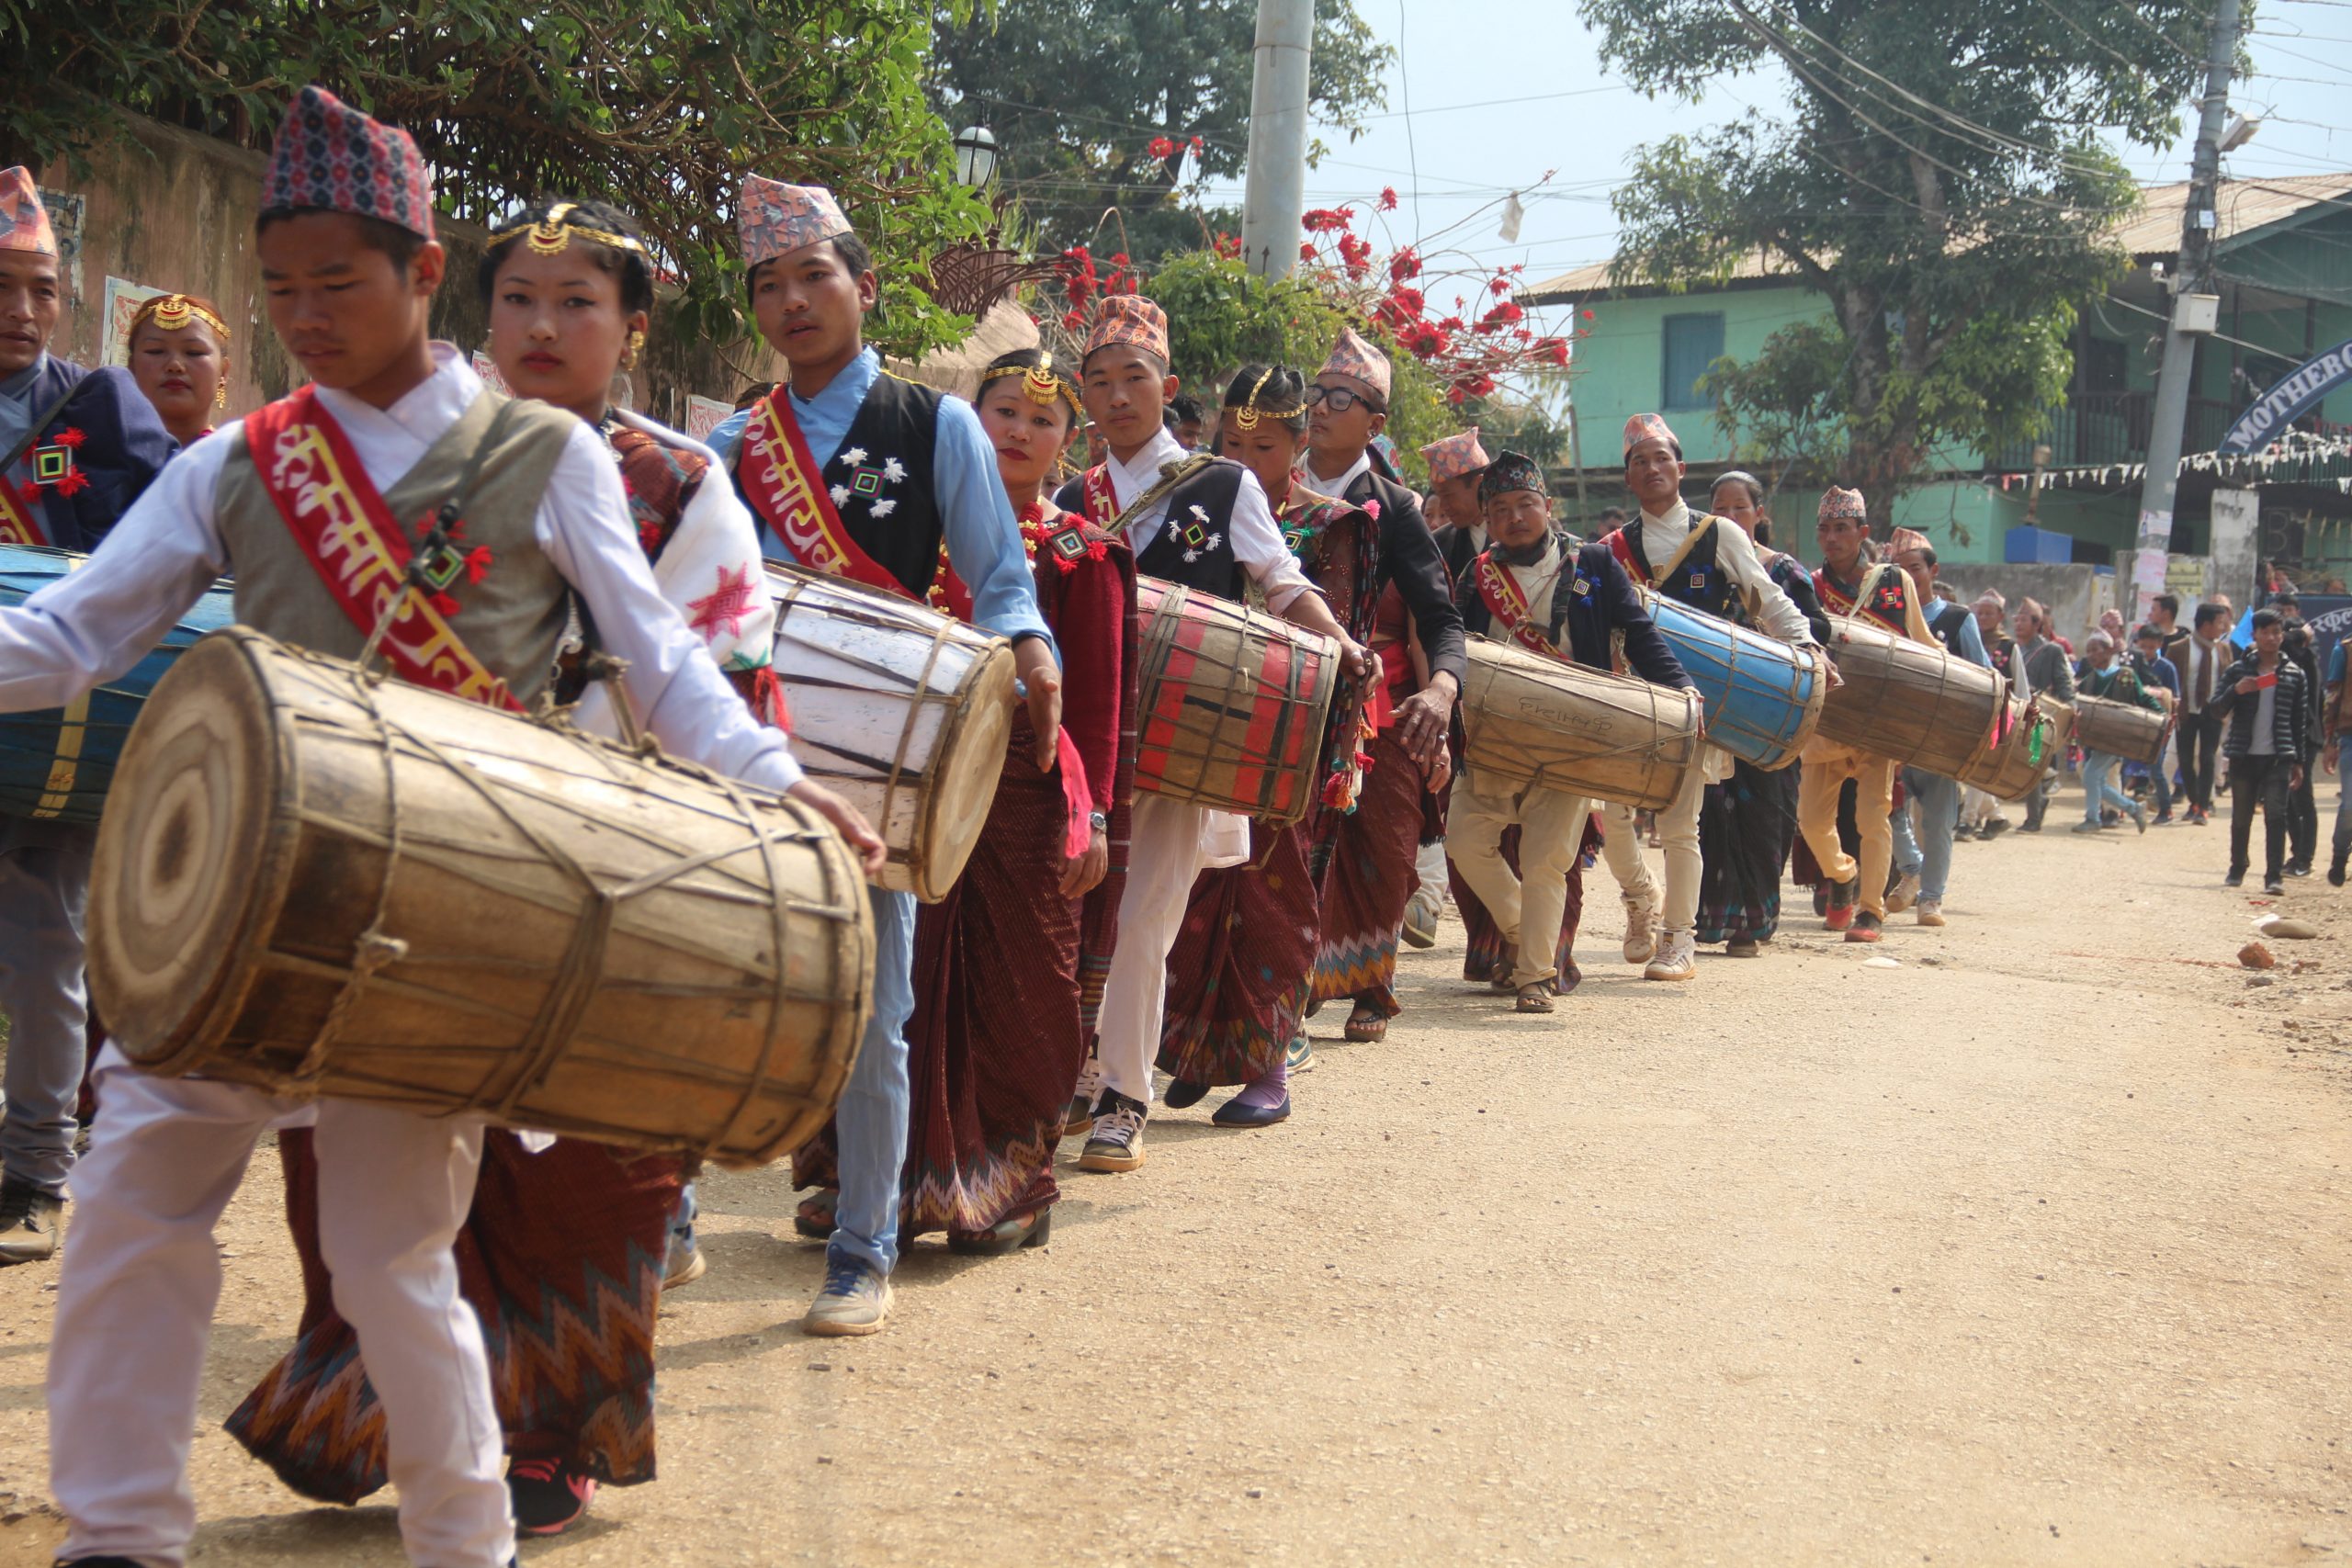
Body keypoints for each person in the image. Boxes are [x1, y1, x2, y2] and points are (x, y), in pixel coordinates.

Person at [18, 86, 881, 1568]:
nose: (304, 316)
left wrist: (768, 771)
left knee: (390, 1258)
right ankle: (118, 1532)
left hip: (438, 917)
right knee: (128, 1199)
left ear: (421, 274)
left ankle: (464, 1539)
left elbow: (662, 658)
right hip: (242, 898)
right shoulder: (237, 459)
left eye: (336, 283)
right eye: (280, 288)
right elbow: (72, 634)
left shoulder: (548, 460)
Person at [222, 196, 786, 1536]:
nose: (542, 325)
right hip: (405, 837)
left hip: (605, 861)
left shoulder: (678, 483)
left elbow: (715, 666)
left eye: (578, 302)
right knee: (360, 1142)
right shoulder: (409, 449)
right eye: (519, 299)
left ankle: (547, 1427)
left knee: (586, 1159)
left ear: (632, 327)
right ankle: (374, 1404)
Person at [704, 175, 1058, 1337]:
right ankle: (667, 1226)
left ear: (862, 288)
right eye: (769, 284)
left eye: (815, 276)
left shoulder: (934, 425)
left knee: (874, 1010)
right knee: (718, 989)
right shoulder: (730, 445)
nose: (793, 301)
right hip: (752, 748)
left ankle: (863, 1249)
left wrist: (1032, 651)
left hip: (879, 756)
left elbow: (1001, 580)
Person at [806, 346, 1135, 1247]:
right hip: (912, 777)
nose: (1020, 431)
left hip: (1029, 792)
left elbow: (1098, 703)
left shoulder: (1083, 552)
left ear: (1069, 441)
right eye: (1004, 412)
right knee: (891, 979)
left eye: (1043, 420)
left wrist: (1094, 813)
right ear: (969, 421)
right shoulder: (913, 520)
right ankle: (869, 1181)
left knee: (1020, 989)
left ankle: (1005, 1185)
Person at [1053, 294, 1367, 1172]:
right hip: (1091, 741)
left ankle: (1124, 1097)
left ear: (1168, 385)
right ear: (1084, 395)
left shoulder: (1221, 485)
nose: (1118, 397)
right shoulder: (1073, 496)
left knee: (1147, 916)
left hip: (1185, 740)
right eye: (1100, 382)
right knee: (1076, 910)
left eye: (1135, 378)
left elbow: (1281, 580)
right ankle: (1079, 1068)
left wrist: (1341, 645)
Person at [0, 170, 176, 1269]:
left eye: (43, 289)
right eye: (1, 287)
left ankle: (32, 1173)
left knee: (42, 952)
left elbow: (172, 545)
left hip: (53, 729)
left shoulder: (99, 408)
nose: (23, 311)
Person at [1159, 364, 1377, 1116]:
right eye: (1231, 444)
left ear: (1299, 441)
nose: (1244, 461)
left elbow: (1331, 643)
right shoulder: (1195, 497)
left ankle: (1270, 1070)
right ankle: (1203, 1048)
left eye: (1264, 448)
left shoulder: (1332, 524)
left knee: (1269, 897)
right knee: (1193, 890)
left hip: (1285, 729)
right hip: (1199, 713)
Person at [1448, 451, 1692, 1010]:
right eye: (1500, 509)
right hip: (1495, 736)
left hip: (1573, 732)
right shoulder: (1475, 575)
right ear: (1487, 518)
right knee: (1464, 840)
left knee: (1547, 859)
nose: (1514, 517)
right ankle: (1519, 928)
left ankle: (1535, 975)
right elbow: (1453, 646)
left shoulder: (1594, 563)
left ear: (1548, 506)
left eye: (1525, 504)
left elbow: (1638, 632)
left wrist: (1680, 688)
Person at [1597, 418, 1816, 977]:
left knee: (1680, 825)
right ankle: (1640, 898)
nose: (1652, 468)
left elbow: (1769, 599)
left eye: (1661, 458)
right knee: (1613, 817)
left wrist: (1809, 649)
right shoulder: (1608, 551)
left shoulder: (1720, 535)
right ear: (1628, 477)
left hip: (1696, 699)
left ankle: (1679, 941)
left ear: (1681, 468)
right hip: (1629, 699)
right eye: (1640, 461)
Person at [1296, 328, 1465, 1044]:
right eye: (1317, 393)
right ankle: (1291, 981)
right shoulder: (1268, 481)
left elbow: (1441, 617)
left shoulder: (1393, 508)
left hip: (1373, 705)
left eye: (1342, 398)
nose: (1320, 407)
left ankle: (1370, 981)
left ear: (1376, 422)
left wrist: (1442, 690)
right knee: (1286, 851)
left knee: (1385, 846)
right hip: (1281, 694)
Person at [1693, 469, 1824, 953]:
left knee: (1768, 813)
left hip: (1772, 712)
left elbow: (1816, 629)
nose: (1729, 516)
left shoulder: (1782, 571)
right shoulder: (1699, 564)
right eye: (1720, 509)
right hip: (1713, 713)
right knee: (1711, 813)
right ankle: (1716, 921)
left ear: (1759, 513)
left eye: (1739, 508)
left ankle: (1753, 921)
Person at [1796, 488, 1926, 942]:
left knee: (1873, 818)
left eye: (1842, 529)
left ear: (1862, 532)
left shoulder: (1895, 582)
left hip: (1878, 722)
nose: (1831, 538)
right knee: (1812, 822)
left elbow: (1923, 645)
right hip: (1827, 723)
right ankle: (1842, 874)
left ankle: (1871, 911)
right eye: (1824, 529)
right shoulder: (1809, 586)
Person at [1404, 425, 1490, 951]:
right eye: (1436, 494)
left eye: (1451, 493)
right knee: (1455, 809)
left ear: (1480, 484)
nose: (1443, 505)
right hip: (1455, 693)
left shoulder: (1520, 535)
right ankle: (1478, 940)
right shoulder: (1437, 547)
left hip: (1516, 698)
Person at [1889, 536, 1987, 926]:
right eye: (1899, 570)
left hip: (1942, 738)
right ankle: (1911, 868)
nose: (1908, 577)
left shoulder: (1958, 619)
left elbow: (1982, 675)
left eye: (1915, 568)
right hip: (1893, 735)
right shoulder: (1886, 617)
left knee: (1939, 822)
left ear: (1933, 570)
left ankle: (1931, 899)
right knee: (1886, 810)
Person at [2211, 607, 2308, 895]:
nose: (2271, 638)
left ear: (2282, 636)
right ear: (2254, 634)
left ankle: (2273, 876)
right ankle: (2237, 867)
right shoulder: (2238, 671)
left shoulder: (2294, 674)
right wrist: (2236, 691)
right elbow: (2216, 708)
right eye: (2265, 632)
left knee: (2276, 816)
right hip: (2243, 755)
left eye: (2276, 632)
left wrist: (2299, 761)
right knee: (2242, 816)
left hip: (2278, 757)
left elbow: (2299, 721)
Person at [2072, 632, 2159, 835]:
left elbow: (2143, 699)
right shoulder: (2088, 681)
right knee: (2095, 780)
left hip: (2116, 738)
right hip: (2094, 739)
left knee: (2091, 775)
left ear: (2109, 651)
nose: (2091, 655)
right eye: (2088, 651)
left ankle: (2092, 819)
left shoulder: (2125, 675)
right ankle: (2134, 808)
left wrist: (2162, 714)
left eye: (2095, 650)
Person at [123, 292, 233, 446]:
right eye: (156, 351)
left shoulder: (240, 458)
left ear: (223, 371)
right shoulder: (98, 453)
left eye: (194, 352)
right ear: (132, 367)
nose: (174, 365)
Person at [2009, 598, 2078, 833]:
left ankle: (2034, 817)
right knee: (2024, 763)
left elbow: (2063, 682)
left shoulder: (2051, 650)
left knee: (2033, 761)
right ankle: (2046, 784)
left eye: (2023, 620)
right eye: (2016, 620)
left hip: (2041, 715)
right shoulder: (2014, 649)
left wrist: (2070, 707)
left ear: (2037, 624)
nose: (2018, 624)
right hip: (2017, 713)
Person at [2175, 603, 2236, 826]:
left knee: (2208, 757)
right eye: (2220, 623)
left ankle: (2203, 806)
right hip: (2186, 711)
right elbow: (2171, 680)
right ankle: (2194, 801)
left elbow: (2229, 680)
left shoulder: (2223, 649)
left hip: (2213, 710)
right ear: (2206, 624)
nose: (2223, 627)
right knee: (2185, 758)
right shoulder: (2180, 648)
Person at [2128, 622, 2181, 822]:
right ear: (2137, 643)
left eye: (2151, 647)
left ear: (2160, 645)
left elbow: (2173, 697)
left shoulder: (2166, 667)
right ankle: (2117, 808)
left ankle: (2166, 809)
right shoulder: (2130, 664)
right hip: (2132, 721)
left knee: (2156, 769)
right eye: (2143, 646)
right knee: (2123, 764)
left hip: (2156, 725)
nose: (2147, 651)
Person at [2324, 626, 2349, 886]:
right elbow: (2332, 697)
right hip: (2350, 736)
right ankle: (2340, 855)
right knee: (2350, 805)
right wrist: (2330, 742)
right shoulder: (2344, 650)